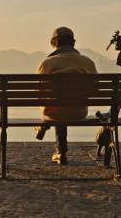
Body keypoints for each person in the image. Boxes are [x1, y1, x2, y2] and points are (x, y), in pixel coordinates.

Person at [37, 27, 97, 165]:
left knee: (56, 108)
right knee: (63, 105)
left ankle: (57, 146)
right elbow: (94, 89)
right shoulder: (87, 62)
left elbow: (39, 93)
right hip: (79, 112)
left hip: (53, 112)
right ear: (73, 43)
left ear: (55, 43)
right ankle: (58, 147)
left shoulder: (47, 63)